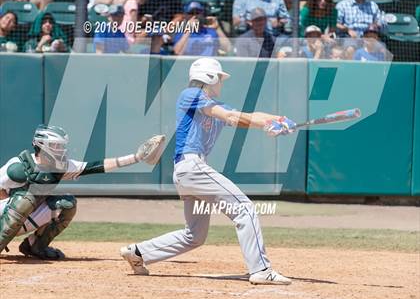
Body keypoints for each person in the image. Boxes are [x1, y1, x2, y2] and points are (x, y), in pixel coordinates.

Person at [120, 57, 296, 285]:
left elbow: (249, 116)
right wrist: (266, 126)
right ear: (209, 78)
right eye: (219, 78)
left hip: (187, 171)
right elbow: (230, 116)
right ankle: (261, 269)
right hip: (191, 166)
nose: (221, 83)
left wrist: (280, 120)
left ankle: (138, 253)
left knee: (194, 236)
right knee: (245, 210)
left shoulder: (213, 105)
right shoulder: (191, 95)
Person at [0, 124, 166, 259]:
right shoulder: (19, 166)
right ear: (42, 146)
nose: (60, 150)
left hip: (22, 219)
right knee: (25, 200)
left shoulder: (61, 167)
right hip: (5, 215)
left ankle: (35, 246)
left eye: (61, 146)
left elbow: (97, 166)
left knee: (67, 204)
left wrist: (136, 157)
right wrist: (12, 210)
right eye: (56, 146)